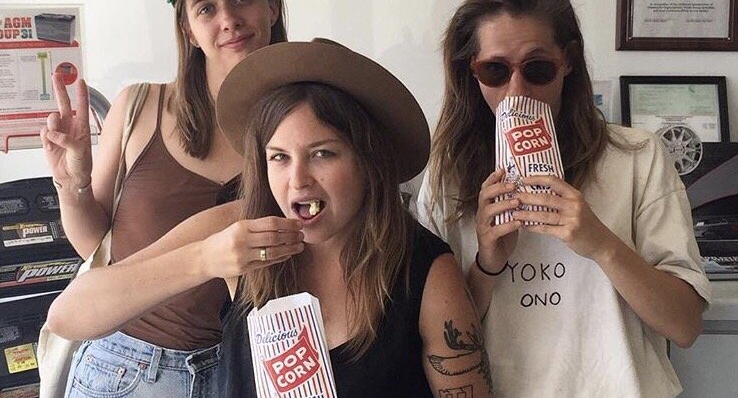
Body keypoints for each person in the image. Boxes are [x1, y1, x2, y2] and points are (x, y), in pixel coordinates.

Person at [46, 40, 494, 398]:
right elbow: (68, 316)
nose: (298, 180)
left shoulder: (424, 269)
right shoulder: (238, 228)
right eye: (279, 157)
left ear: (367, 161)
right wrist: (204, 259)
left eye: (323, 154)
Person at [417, 0, 711, 398]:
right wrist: (487, 263)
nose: (516, 90)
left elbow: (684, 326)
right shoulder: (448, 173)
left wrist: (601, 244)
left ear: (567, 61)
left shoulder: (636, 157)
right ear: (472, 71)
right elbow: (440, 345)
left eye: (537, 68)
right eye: (495, 70)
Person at [40, 0, 287, 397]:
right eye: (206, 8)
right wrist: (71, 186)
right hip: (129, 368)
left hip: (251, 369)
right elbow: (97, 246)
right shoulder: (140, 107)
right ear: (188, 30)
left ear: (271, 6)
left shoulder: (303, 118)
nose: (229, 19)